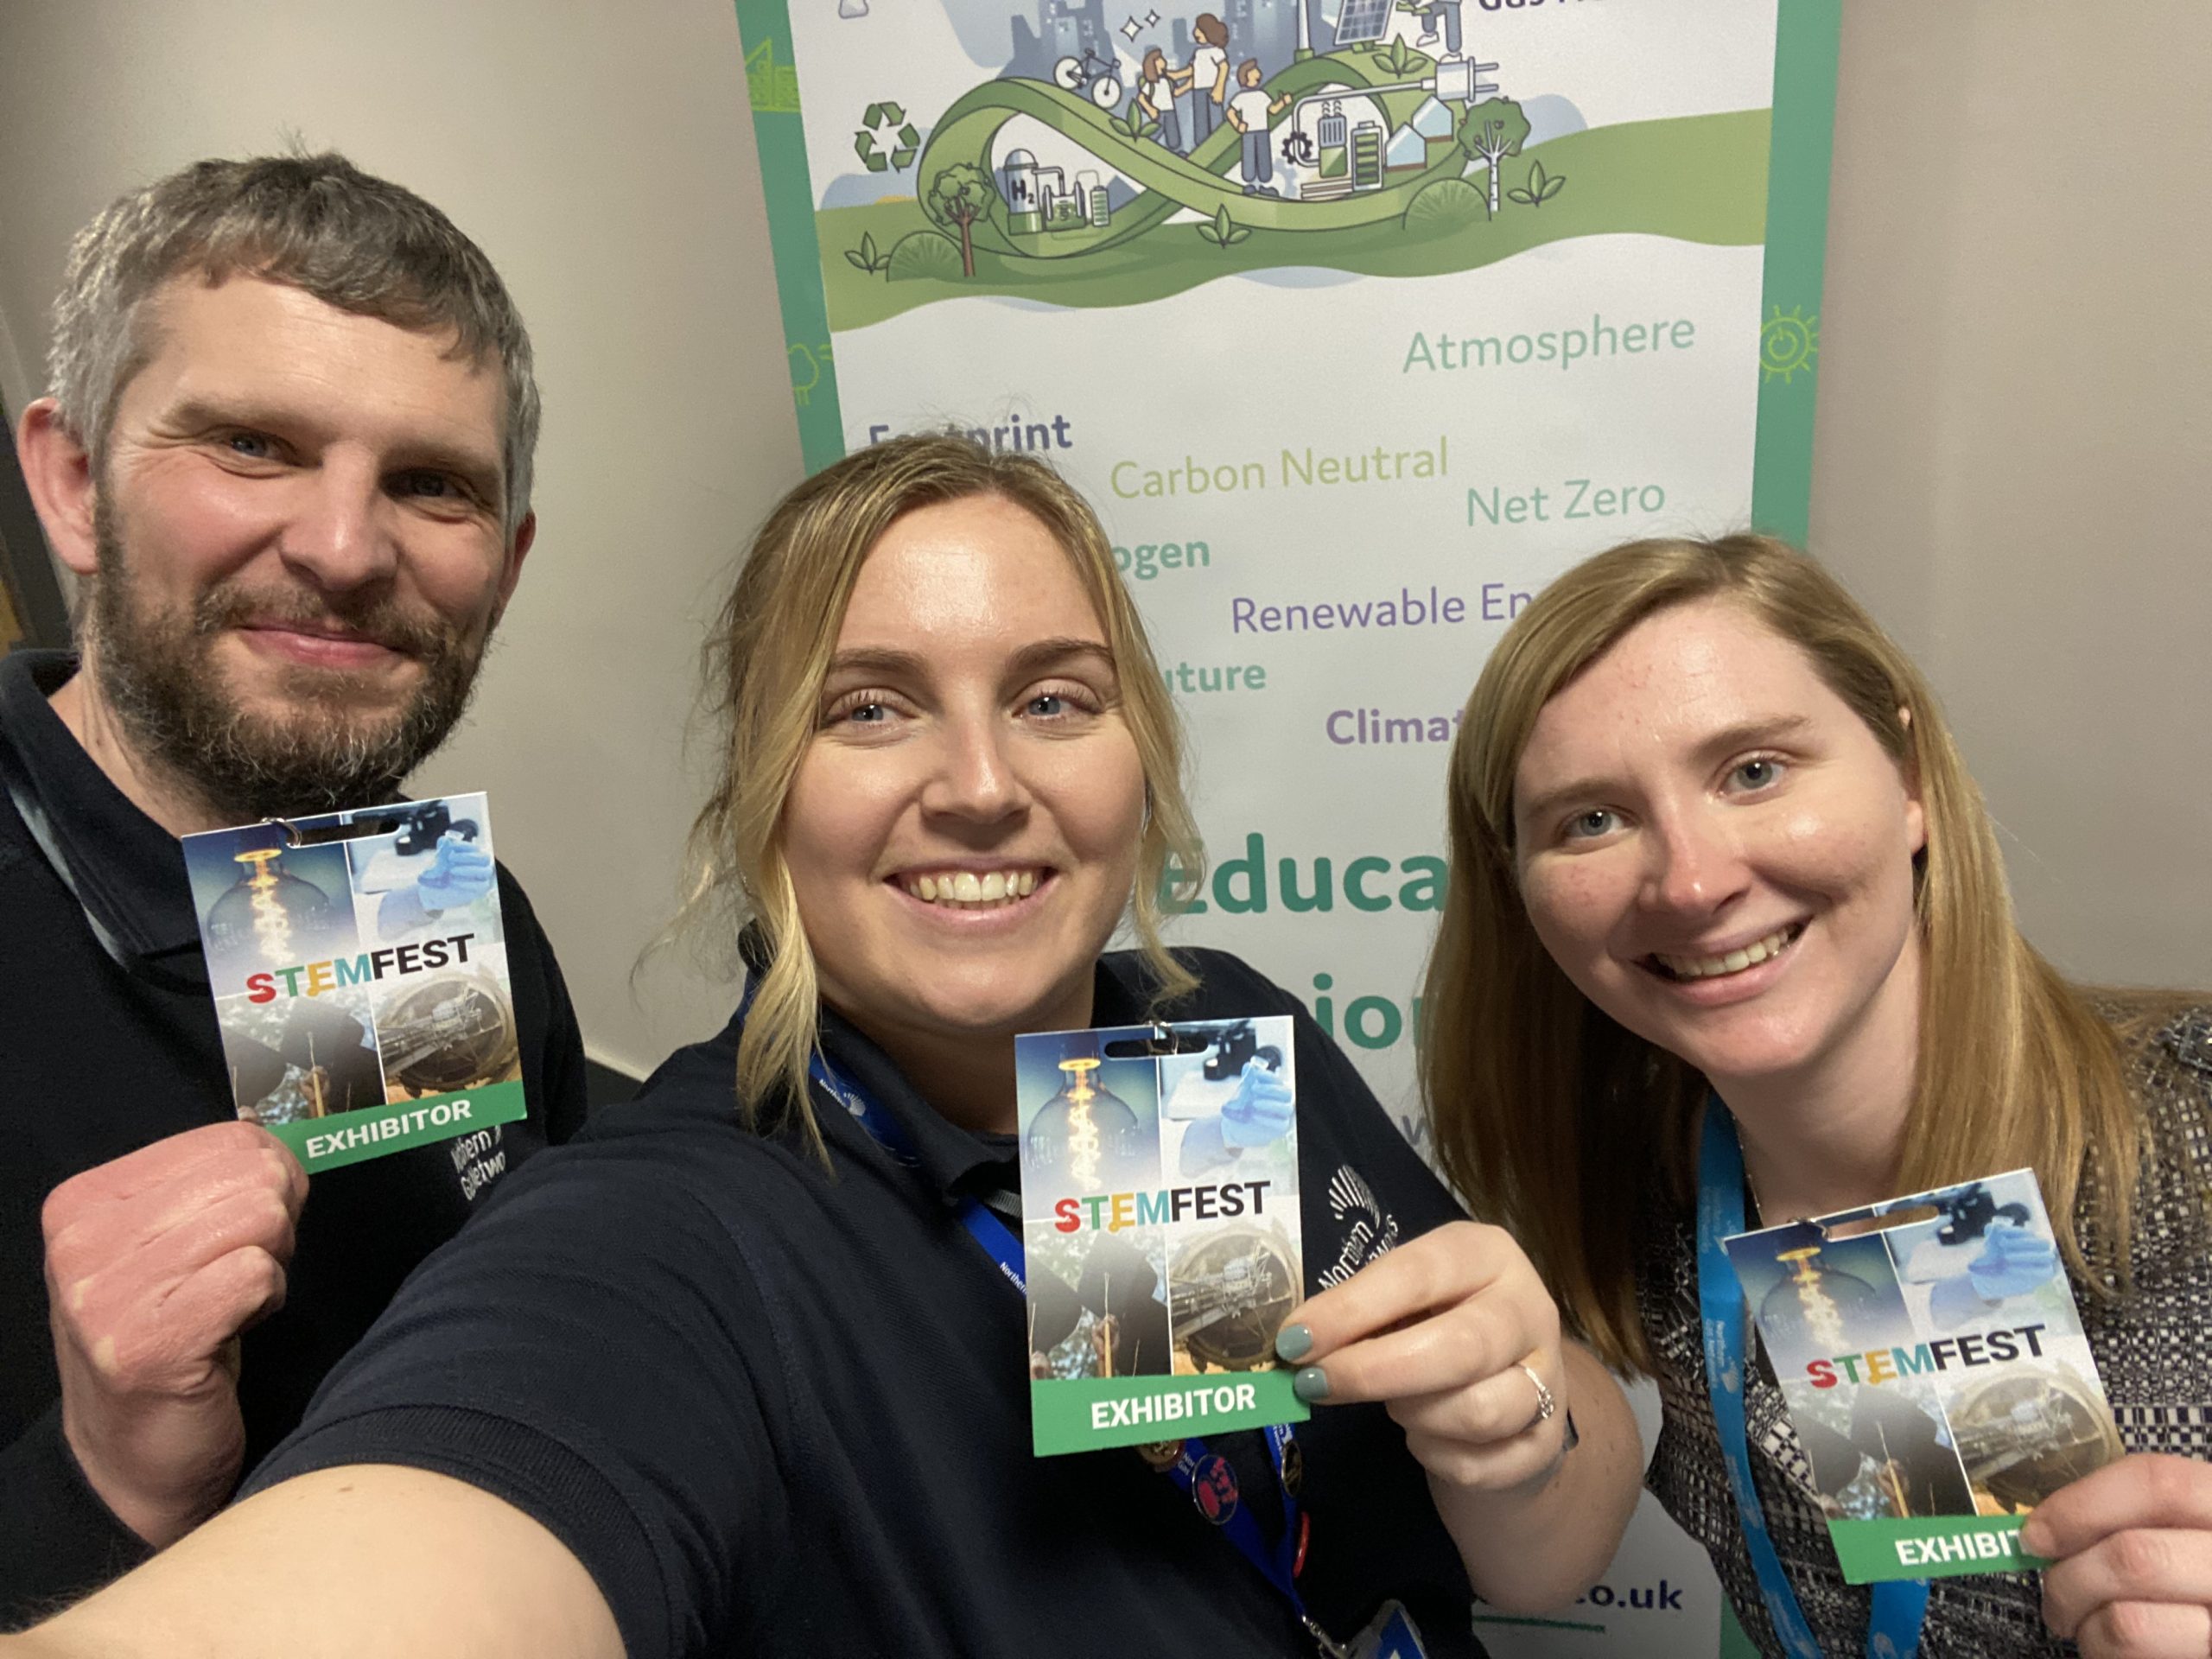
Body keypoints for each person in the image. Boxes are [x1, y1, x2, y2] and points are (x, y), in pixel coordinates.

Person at [0, 435, 1640, 1658]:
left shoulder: (1220, 1020)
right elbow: (459, 1508)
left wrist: (1513, 1450)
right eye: (871, 707)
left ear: (1139, 754)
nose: (982, 785)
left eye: (1055, 698)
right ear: (764, 793)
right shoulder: (679, 1234)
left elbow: (1548, 1550)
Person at [1420, 532, 2212, 1658]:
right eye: (1592, 819)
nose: (1692, 882)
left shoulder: (2194, 1126)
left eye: (1754, 771)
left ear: (1910, 783)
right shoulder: (1647, 1199)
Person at [0, 153, 588, 1624]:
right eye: (253, 444)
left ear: (507, 563)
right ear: (72, 482)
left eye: (431, 484)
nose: (343, 549)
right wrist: (97, 1479)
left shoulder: (457, 914)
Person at [1225, 60, 1292, 197]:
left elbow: (1273, 110)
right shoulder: (1241, 97)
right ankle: (1250, 185)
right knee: (1249, 159)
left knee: (1263, 159)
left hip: (1262, 131)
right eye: (1254, 70)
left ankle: (1263, 186)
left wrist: (1283, 102)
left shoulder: (1262, 95)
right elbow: (1230, 112)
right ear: (1247, 75)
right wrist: (1238, 125)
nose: (1258, 72)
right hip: (1249, 133)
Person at [1184, 13, 1231, 148]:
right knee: (1200, 122)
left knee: (1215, 120)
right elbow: (1192, 71)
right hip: (1198, 90)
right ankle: (1201, 145)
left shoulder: (1216, 51)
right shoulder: (1198, 52)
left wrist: (1219, 89)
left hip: (1212, 90)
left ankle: (1218, 145)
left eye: (1199, 29)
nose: (1195, 32)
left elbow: (1224, 67)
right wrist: (1175, 78)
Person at [1136, 47, 1183, 154]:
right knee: (1154, 134)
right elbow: (1141, 98)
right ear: (1154, 62)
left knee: (1174, 141)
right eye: (1160, 58)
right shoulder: (1151, 84)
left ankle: (1176, 154)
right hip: (1159, 113)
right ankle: (1143, 148)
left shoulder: (1167, 81)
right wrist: (1150, 109)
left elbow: (1176, 92)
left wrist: (1189, 85)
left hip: (1171, 112)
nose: (1163, 60)